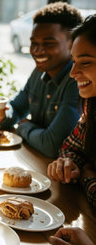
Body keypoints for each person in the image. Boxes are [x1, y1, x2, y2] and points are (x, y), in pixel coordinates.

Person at [0, 2, 82, 158]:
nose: (36, 51)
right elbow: (17, 109)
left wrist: (23, 126)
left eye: (48, 43)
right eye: (33, 43)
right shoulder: (39, 71)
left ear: (72, 44)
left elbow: (52, 146)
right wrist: (2, 115)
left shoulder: (77, 81)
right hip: (33, 160)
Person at [47, 14, 96, 208]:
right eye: (73, 61)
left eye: (85, 62)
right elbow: (69, 147)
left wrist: (86, 176)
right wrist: (68, 163)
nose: (72, 73)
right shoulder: (91, 108)